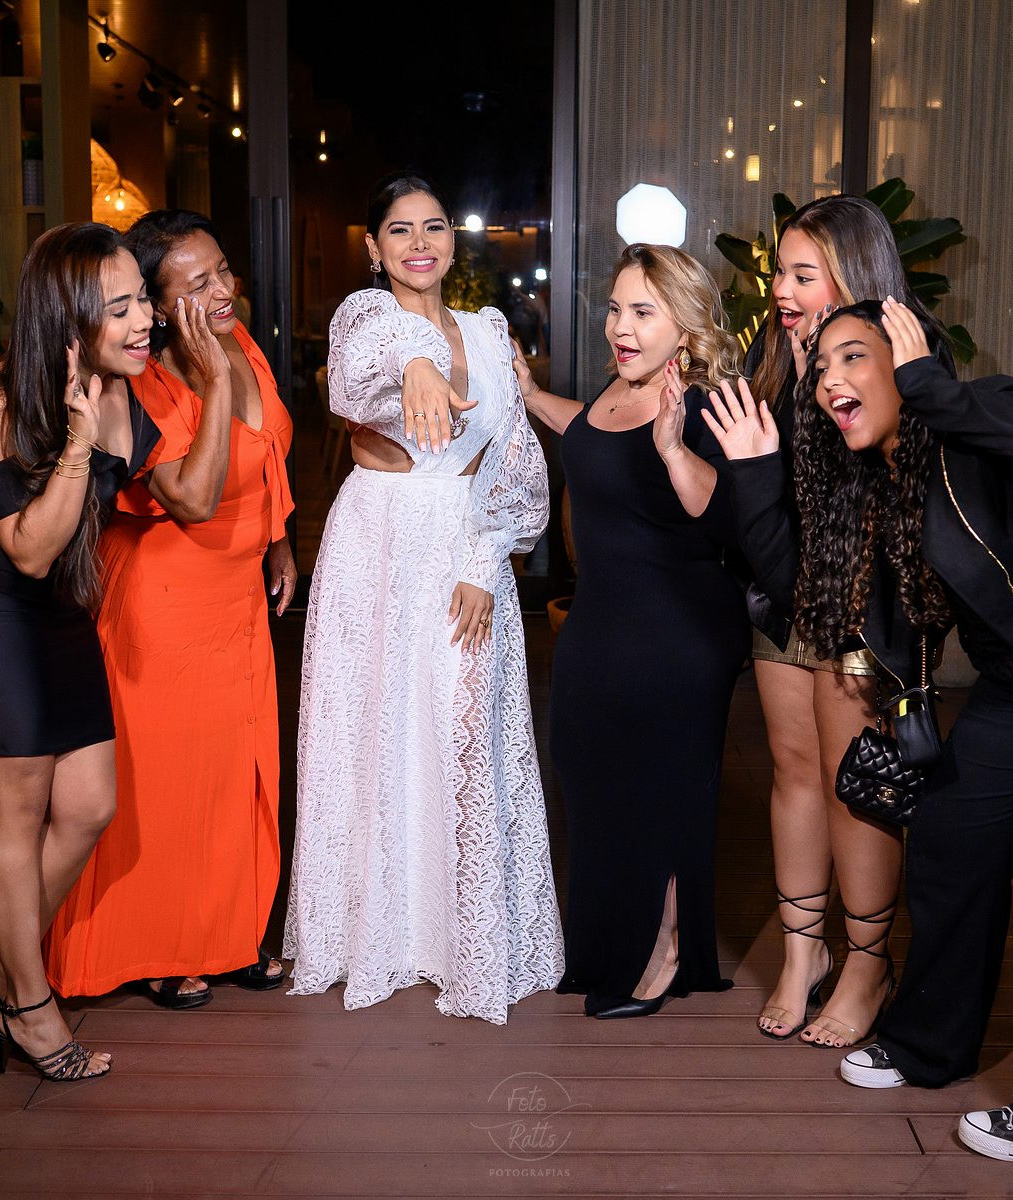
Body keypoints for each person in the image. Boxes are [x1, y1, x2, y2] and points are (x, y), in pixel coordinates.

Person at [722, 294, 1013, 1166]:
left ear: (907, 359)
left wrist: (933, 391)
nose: (828, 379)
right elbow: (813, 603)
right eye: (820, 367)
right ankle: (928, 1044)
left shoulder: (972, 423)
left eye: (853, 357)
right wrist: (756, 474)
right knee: (950, 840)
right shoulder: (875, 486)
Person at [283, 172, 562, 1023]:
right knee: (375, 728)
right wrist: (413, 359)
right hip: (377, 543)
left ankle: (459, 940)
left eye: (433, 226)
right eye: (398, 230)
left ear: (452, 240)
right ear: (373, 247)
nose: (418, 243)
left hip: (467, 542)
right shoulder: (363, 319)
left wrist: (485, 558)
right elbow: (355, 378)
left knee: (462, 726)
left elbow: (513, 453)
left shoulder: (487, 328)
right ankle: (377, 934)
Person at [0, 221, 166, 1080]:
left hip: (59, 609)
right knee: (15, 816)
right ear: (66, 319)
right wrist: (77, 443)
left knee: (90, 806)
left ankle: (0, 963)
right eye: (119, 308)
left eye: (143, 300)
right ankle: (29, 1009)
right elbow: (27, 548)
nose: (144, 321)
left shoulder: (122, 384)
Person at [45, 211, 297, 1008]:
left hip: (235, 594)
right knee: (165, 782)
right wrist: (213, 382)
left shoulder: (240, 340)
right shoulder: (140, 380)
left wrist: (278, 538)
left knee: (233, 774)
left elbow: (267, 450)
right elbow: (189, 499)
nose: (221, 291)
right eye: (196, 283)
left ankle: (226, 936)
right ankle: (155, 946)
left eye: (222, 270)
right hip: (164, 597)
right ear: (153, 304)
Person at [518, 244, 748, 1019]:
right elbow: (590, 433)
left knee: (664, 789)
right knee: (586, 769)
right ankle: (607, 942)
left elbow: (720, 510)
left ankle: (665, 947)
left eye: (642, 312)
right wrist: (531, 395)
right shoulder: (618, 388)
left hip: (678, 629)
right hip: (603, 619)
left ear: (684, 325)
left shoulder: (706, 402)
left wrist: (673, 450)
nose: (620, 326)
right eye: (615, 309)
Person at [710, 195, 907, 1047]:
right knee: (792, 772)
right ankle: (802, 955)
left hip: (858, 606)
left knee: (851, 782)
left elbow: (879, 495)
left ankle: (867, 962)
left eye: (802, 274)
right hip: (780, 595)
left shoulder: (894, 353)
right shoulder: (778, 357)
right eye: (778, 275)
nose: (782, 292)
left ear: (853, 275)